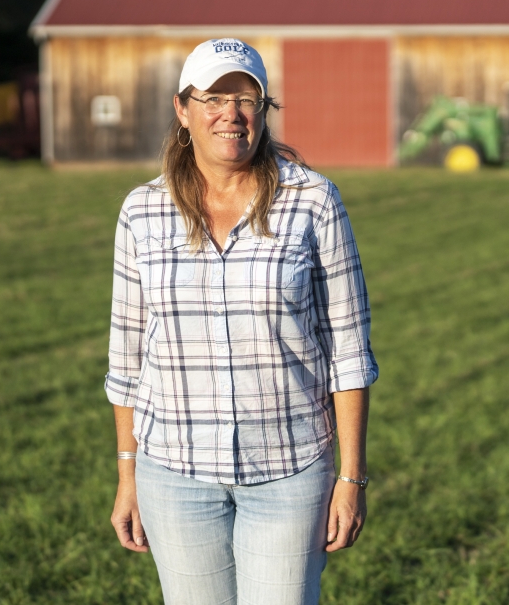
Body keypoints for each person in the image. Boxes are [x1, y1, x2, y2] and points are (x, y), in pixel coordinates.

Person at [105, 38, 379, 605]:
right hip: (175, 473)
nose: (231, 113)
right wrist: (128, 474)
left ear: (264, 111)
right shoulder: (141, 212)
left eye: (247, 99)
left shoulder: (314, 201)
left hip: (290, 467)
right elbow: (127, 356)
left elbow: (348, 351)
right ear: (183, 110)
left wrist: (350, 479)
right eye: (213, 98)